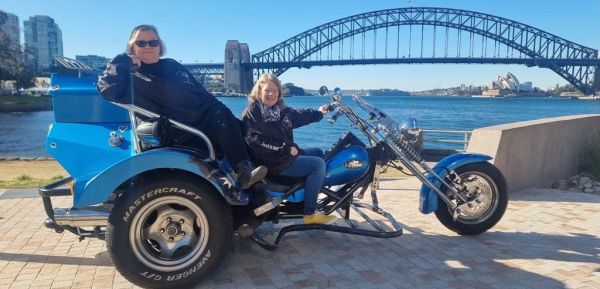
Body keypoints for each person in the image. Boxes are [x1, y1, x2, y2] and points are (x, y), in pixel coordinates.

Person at [97, 24, 266, 189]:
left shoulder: (171, 65)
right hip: (178, 130)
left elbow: (203, 95)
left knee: (247, 130)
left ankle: (256, 182)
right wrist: (123, 60)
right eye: (141, 43)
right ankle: (246, 173)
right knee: (226, 121)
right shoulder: (131, 74)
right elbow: (107, 89)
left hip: (204, 121)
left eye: (153, 42)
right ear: (131, 47)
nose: (148, 46)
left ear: (159, 46)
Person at [241, 74, 337, 225]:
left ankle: (298, 202)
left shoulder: (279, 110)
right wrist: (285, 149)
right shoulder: (254, 112)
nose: (271, 94)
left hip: (282, 157)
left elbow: (299, 115)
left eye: (275, 91)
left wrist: (319, 113)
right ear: (259, 91)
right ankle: (310, 214)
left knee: (318, 152)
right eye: (267, 90)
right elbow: (255, 141)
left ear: (279, 93)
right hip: (271, 162)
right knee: (318, 165)